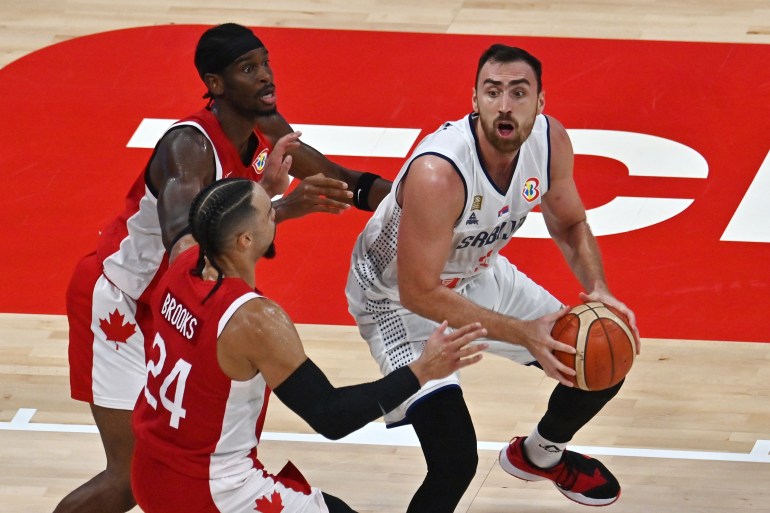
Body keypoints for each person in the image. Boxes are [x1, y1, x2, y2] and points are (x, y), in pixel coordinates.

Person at [58, 23, 391, 513]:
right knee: (129, 477)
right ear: (215, 85)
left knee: (183, 462)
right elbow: (187, 254)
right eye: (248, 69)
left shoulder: (264, 125)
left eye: (265, 63)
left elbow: (337, 179)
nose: (265, 77)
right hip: (121, 302)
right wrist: (280, 205)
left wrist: (411, 196)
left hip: (175, 303)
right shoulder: (187, 149)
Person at [345, 43, 641, 511]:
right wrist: (524, 333)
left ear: (540, 103)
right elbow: (418, 290)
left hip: (476, 272)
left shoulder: (550, 142)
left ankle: (540, 455)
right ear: (475, 100)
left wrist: (599, 289)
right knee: (454, 461)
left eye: (519, 93)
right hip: (396, 300)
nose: (505, 105)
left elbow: (569, 223)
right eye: (493, 91)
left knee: (603, 359)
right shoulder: (439, 173)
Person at [131, 178, 487, 513]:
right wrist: (421, 370)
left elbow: (212, 222)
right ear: (244, 240)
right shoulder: (255, 321)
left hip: (149, 470)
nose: (276, 213)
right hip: (210, 491)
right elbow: (330, 415)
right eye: (270, 211)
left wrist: (280, 201)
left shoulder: (181, 259)